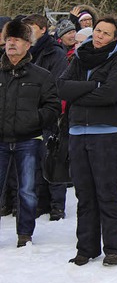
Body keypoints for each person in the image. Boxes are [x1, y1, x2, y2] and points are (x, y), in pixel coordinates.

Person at [57, 17, 117, 266]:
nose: (99, 36)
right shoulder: (79, 57)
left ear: (115, 38)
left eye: (106, 33)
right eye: (97, 31)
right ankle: (86, 248)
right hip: (78, 133)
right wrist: (92, 86)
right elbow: (62, 87)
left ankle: (116, 248)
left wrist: (79, 94)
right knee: (84, 194)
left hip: (108, 133)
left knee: (107, 191)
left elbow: (111, 93)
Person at [0, 19, 60, 247]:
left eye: (17, 39)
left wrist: (33, 121)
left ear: (28, 44)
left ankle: (24, 234)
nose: (12, 44)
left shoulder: (41, 76)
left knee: (27, 189)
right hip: (1, 140)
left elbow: (53, 107)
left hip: (29, 140)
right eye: (9, 39)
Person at [22, 14, 68, 220]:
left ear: (42, 29)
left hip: (49, 111)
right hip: (29, 114)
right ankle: (42, 203)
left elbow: (57, 83)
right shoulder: (27, 52)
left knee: (52, 158)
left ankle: (57, 204)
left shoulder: (54, 52)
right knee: (34, 161)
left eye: (31, 27)